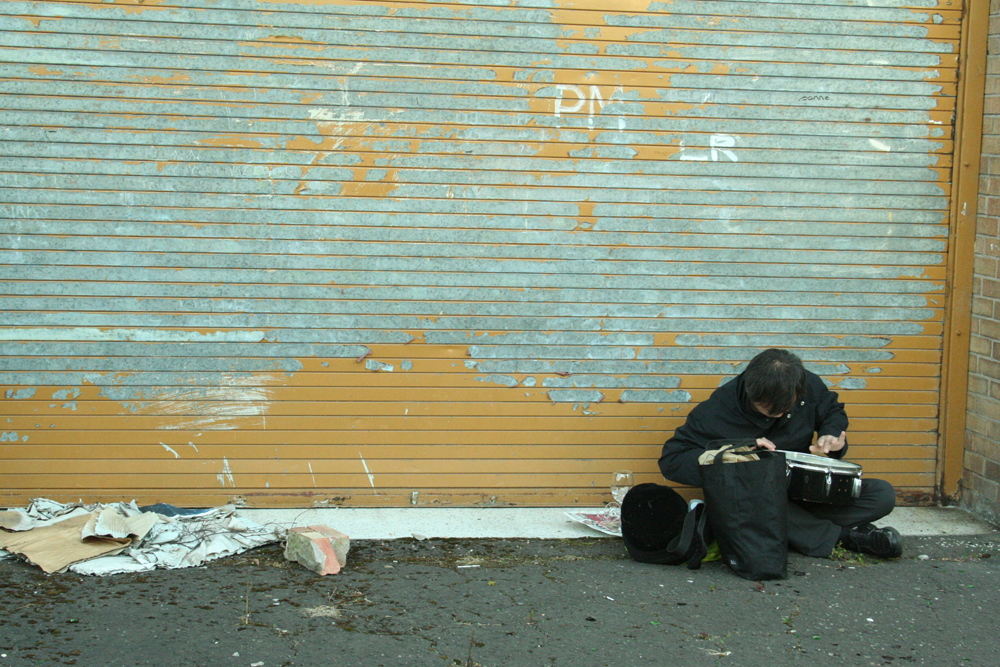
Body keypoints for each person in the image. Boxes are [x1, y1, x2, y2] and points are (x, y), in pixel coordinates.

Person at [658, 348, 903, 559]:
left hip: (803, 493)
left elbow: (833, 411)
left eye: (784, 409)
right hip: (754, 500)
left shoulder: (808, 386)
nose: (775, 415)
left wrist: (830, 437)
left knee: (882, 495)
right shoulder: (717, 409)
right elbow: (672, 459)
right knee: (748, 504)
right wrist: (726, 455)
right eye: (766, 409)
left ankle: (794, 530)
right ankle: (843, 537)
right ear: (750, 390)